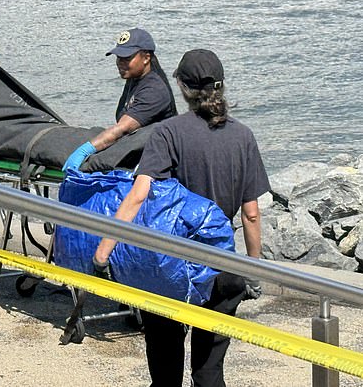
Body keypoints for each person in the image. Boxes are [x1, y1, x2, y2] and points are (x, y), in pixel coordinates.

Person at [93, 49, 270, 387]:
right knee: (208, 372)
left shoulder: (168, 133)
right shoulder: (243, 136)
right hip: (222, 266)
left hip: (170, 266)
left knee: (165, 371)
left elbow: (139, 194)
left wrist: (103, 252)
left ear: (182, 87)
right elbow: (250, 213)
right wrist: (254, 272)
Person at [63, 28, 177, 172]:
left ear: (146, 58)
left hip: (155, 163)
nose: (120, 63)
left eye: (127, 58)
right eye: (119, 57)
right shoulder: (134, 78)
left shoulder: (154, 90)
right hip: (135, 149)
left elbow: (122, 129)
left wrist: (86, 150)